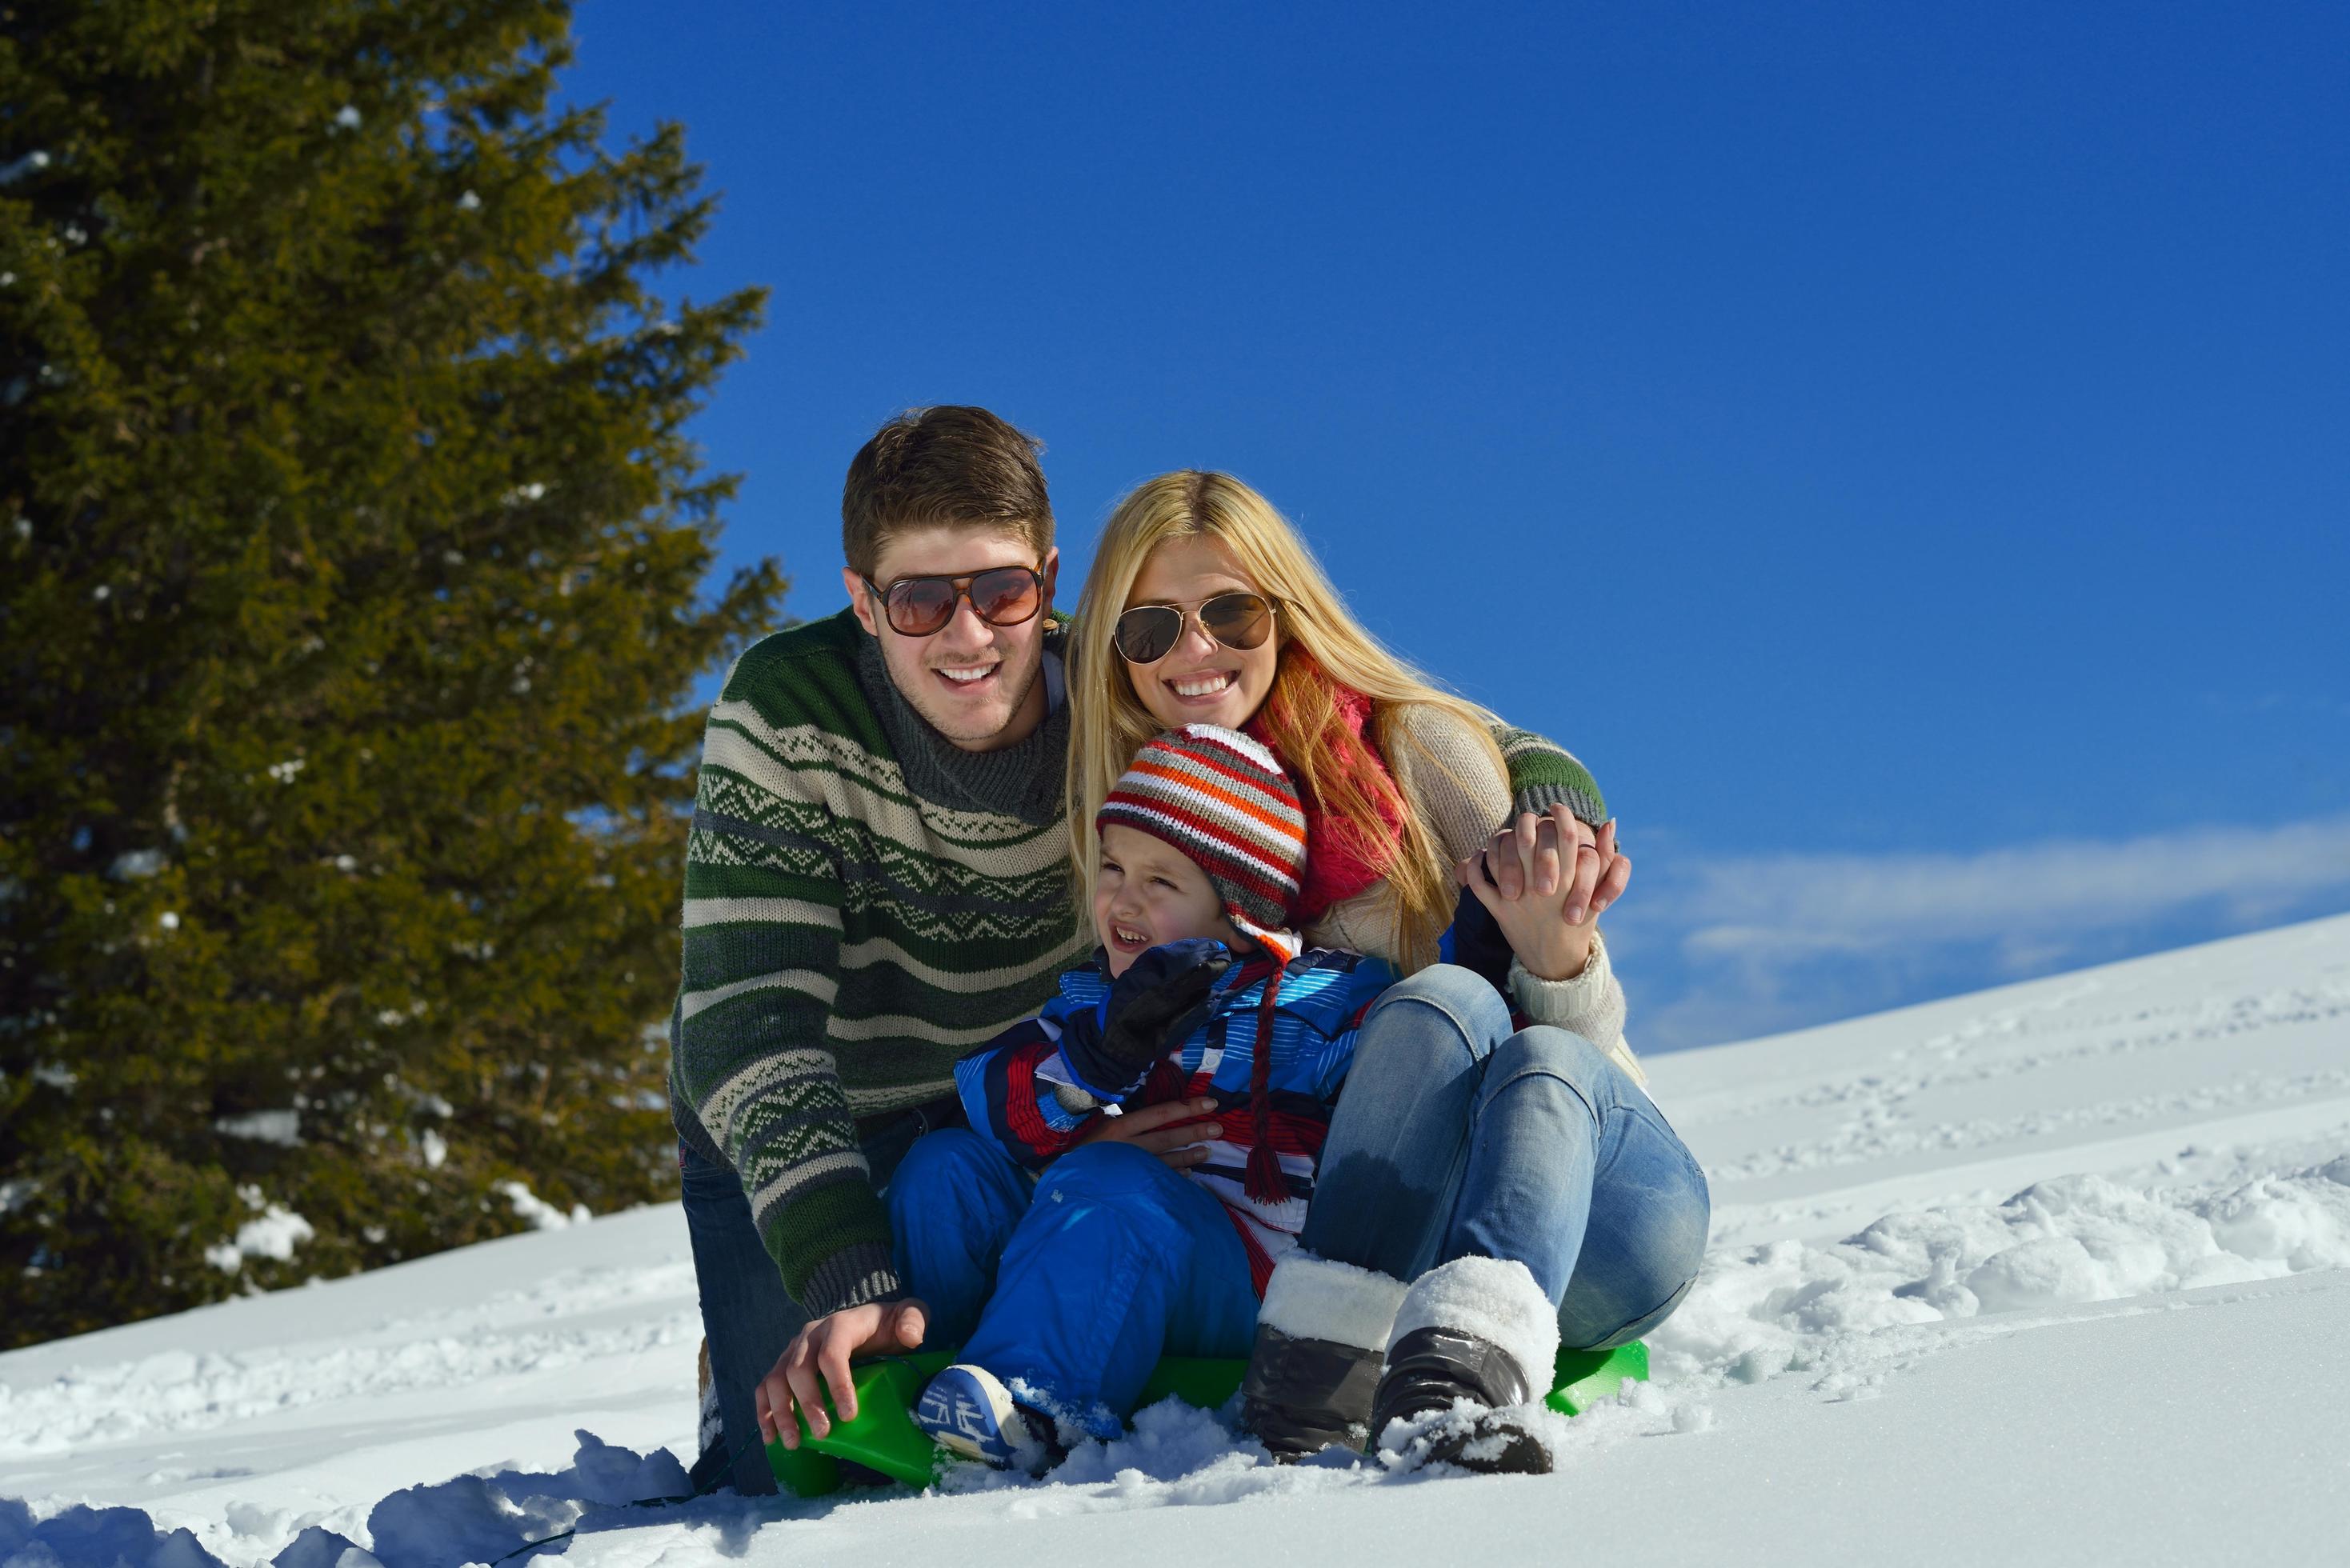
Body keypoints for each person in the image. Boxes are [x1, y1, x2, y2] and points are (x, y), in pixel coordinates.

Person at [1064, 471, 1711, 1472]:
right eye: (1152, 628)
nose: (1196, 652)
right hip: (1381, 1252)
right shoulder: (1144, 829)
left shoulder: (1419, 758)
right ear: (1116, 650)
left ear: (1289, 612)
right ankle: (1323, 1372)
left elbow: (1583, 1059)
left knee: (1450, 1000)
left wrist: (1554, 954)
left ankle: (1472, 1355)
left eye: (1231, 613)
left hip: (1594, 1205)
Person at [668, 406, 1097, 1494]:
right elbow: (751, 1023)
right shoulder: (786, 708)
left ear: (1046, 578)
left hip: (1005, 1112)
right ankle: (737, 1360)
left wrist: (1537, 799)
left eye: (1001, 590)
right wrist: (842, 1270)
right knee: (809, 1473)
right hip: (815, 1119)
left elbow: (1362, 714)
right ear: (864, 601)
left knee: (1017, 1434)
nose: (968, 636)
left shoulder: (1120, 686)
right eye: (919, 600)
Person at [846, 725, 1394, 1470]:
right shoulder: (1089, 1001)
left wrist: (1482, 963)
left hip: (1241, 1285)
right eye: (1112, 868)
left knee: (1113, 1184)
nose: (1121, 899)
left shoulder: (1316, 1000)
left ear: (1240, 909)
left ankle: (1034, 1408)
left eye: (1160, 882)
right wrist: (1093, 1060)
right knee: (945, 1168)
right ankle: (946, 1375)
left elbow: (1413, 1076)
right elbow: (988, 1100)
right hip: (1099, 1245)